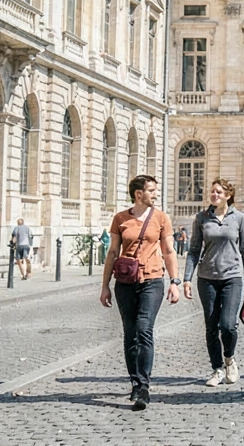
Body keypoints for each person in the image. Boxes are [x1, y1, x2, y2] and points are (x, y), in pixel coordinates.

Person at [100, 174, 181, 411]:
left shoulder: (161, 218)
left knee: (144, 328)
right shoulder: (120, 219)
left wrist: (174, 281)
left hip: (153, 280)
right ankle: (135, 382)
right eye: (152, 190)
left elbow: (169, 251)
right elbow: (113, 253)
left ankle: (144, 386)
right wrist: (105, 286)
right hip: (125, 282)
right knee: (130, 332)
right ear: (138, 194)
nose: (156, 194)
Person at [183, 179, 244, 387]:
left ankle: (229, 358)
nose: (214, 195)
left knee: (228, 324)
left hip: (232, 277)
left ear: (227, 196)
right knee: (211, 326)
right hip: (207, 278)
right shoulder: (201, 218)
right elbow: (194, 251)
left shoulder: (239, 218)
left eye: (218, 192)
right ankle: (216, 368)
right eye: (212, 192)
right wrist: (187, 278)